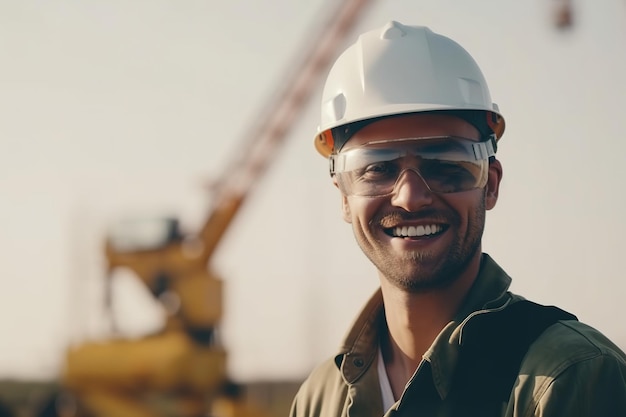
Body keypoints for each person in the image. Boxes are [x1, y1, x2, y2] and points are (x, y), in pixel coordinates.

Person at [289, 21, 626, 417]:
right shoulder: (319, 399)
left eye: (445, 164)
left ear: (491, 185)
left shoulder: (569, 378)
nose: (411, 197)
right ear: (344, 199)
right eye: (377, 168)